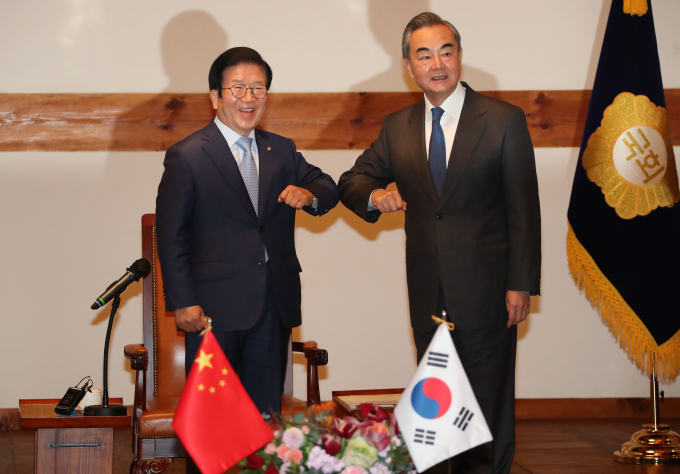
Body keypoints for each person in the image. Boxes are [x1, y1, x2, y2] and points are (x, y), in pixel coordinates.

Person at [339, 12, 541, 474]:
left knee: (486, 409)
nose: (437, 63)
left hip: (490, 291)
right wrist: (376, 195)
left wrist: (521, 284)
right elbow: (353, 179)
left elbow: (523, 210)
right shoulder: (398, 126)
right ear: (409, 66)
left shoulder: (503, 120)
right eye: (424, 55)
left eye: (446, 51)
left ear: (460, 57)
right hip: (429, 292)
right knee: (436, 408)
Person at [156, 47, 339, 473]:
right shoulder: (187, 155)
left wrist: (309, 195)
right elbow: (172, 237)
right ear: (215, 97)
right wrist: (182, 301)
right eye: (237, 87)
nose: (248, 96)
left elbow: (326, 184)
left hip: (272, 306)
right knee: (214, 425)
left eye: (258, 87)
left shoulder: (281, 150)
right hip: (212, 313)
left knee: (263, 423)